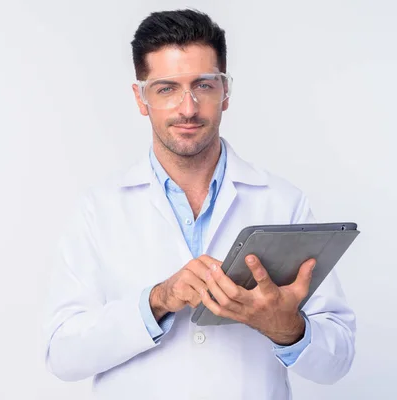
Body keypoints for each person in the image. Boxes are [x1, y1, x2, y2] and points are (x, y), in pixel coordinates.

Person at [42, 9, 355, 400]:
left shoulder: (282, 201)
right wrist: (158, 300)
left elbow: (338, 360)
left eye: (203, 85)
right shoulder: (98, 210)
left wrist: (286, 327)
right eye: (167, 88)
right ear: (141, 98)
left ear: (225, 92)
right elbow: (62, 354)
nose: (187, 108)